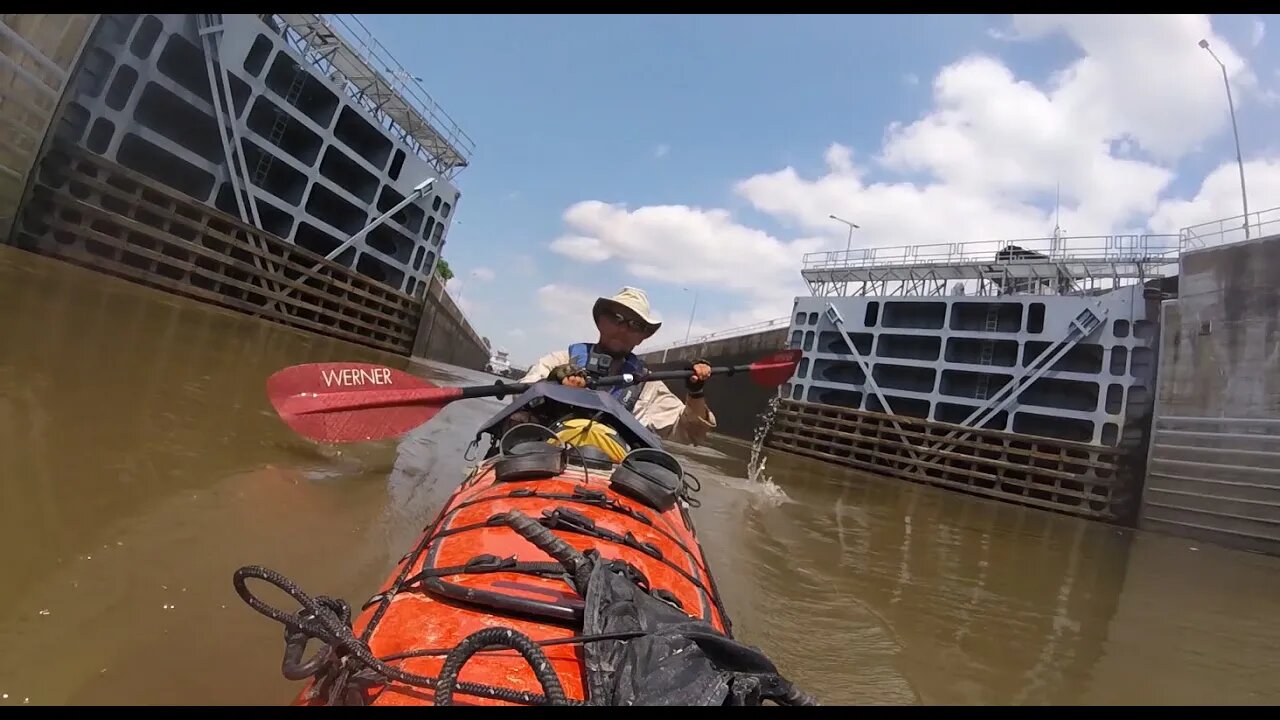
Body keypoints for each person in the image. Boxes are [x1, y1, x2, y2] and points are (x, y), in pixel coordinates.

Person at [517, 286, 716, 446]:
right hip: (545, 453)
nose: (623, 329)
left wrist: (696, 392)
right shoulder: (560, 361)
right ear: (601, 321)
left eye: (635, 325)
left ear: (642, 336)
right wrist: (554, 385)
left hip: (609, 472)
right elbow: (520, 396)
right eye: (617, 319)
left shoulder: (647, 385)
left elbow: (690, 433)